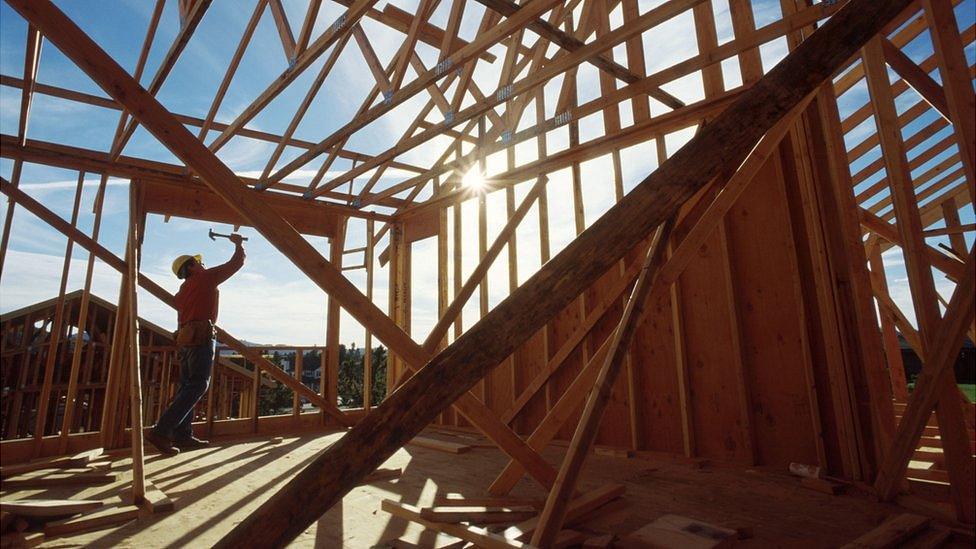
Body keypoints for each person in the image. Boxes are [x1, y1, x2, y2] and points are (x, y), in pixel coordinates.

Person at [145, 234, 245, 455]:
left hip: (185, 341)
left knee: (187, 386)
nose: (203, 264)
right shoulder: (205, 279)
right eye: (199, 262)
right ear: (190, 268)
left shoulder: (182, 292)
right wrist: (238, 244)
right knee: (199, 385)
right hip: (200, 337)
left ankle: (182, 435)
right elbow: (235, 264)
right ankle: (161, 431)